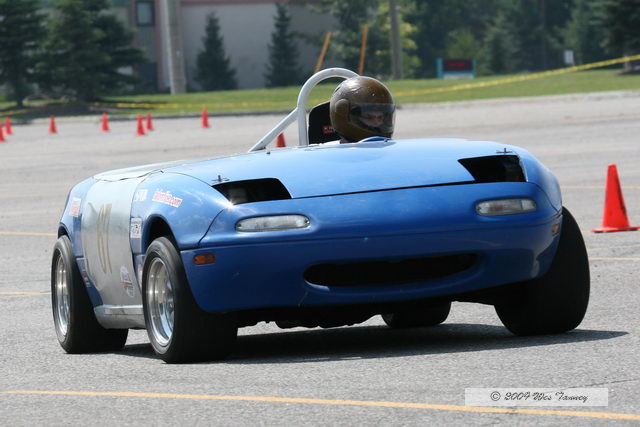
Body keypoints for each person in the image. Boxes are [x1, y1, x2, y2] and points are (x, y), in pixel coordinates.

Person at [329, 76, 395, 143]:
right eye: (368, 117)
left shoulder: (388, 145)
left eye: (380, 117)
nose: (376, 122)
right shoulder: (329, 148)